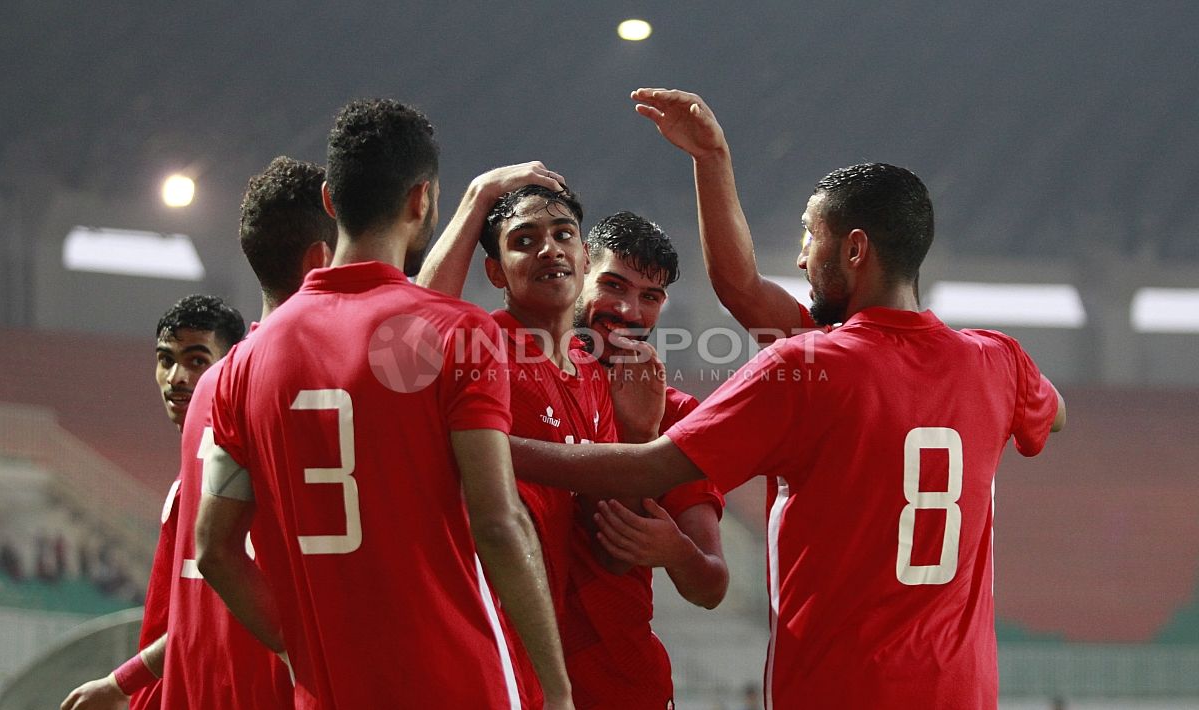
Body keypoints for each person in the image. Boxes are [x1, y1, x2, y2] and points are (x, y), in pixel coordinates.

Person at [510, 154, 1067, 709]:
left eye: (809, 236)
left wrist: (485, 444)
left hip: (834, 689)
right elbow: (1056, 414)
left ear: (853, 250)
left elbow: (657, 470)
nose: (801, 258)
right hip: (963, 691)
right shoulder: (998, 361)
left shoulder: (805, 367)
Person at [195, 99, 572, 709]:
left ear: (329, 200)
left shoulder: (243, 362)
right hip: (454, 683)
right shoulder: (462, 332)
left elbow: (214, 551)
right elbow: (498, 523)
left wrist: (302, 655)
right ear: (421, 200)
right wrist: (558, 694)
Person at [422, 195, 728, 707]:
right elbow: (419, 324)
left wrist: (673, 548)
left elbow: (708, 584)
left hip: (624, 682)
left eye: (650, 296)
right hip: (510, 669)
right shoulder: (494, 353)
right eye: (613, 286)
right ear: (584, 269)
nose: (629, 311)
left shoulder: (670, 411)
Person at [160, 156, 337, 708]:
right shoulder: (306, 384)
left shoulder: (214, 388)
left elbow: (213, 558)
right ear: (323, 258)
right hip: (281, 687)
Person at [62, 294, 245, 710]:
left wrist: (120, 682)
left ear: (231, 366)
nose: (176, 377)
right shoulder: (193, 468)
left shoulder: (228, 475)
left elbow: (214, 613)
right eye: (166, 359)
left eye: (198, 361)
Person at [631, 88, 820, 344]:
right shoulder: (822, 337)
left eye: (815, 240)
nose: (801, 260)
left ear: (856, 249)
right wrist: (710, 157)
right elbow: (741, 289)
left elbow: (742, 289)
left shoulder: (832, 349)